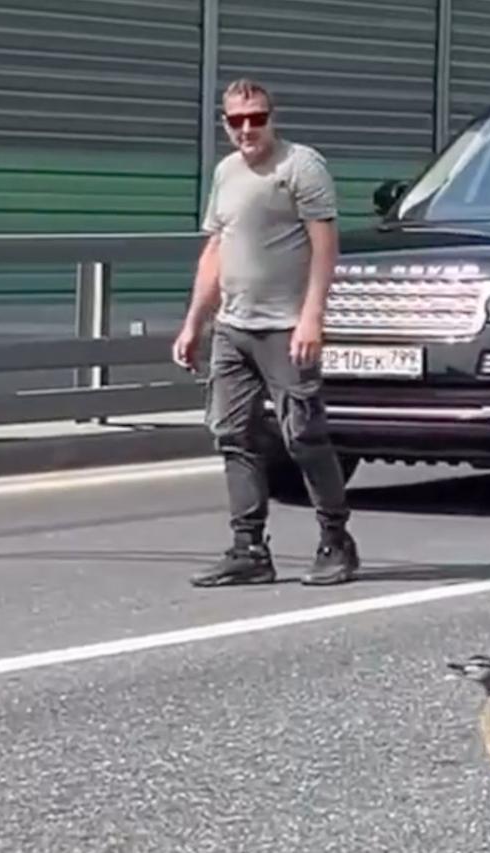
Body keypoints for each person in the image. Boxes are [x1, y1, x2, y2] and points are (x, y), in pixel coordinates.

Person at [172, 77, 360, 588]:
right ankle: (248, 548)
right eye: (237, 120)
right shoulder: (227, 172)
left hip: (285, 328)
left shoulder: (301, 165)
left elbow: (325, 247)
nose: (248, 128)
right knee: (233, 435)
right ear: (225, 124)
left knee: (303, 435)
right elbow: (216, 250)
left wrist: (312, 317)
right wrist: (194, 322)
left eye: (258, 117)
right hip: (234, 328)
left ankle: (336, 541)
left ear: (272, 118)